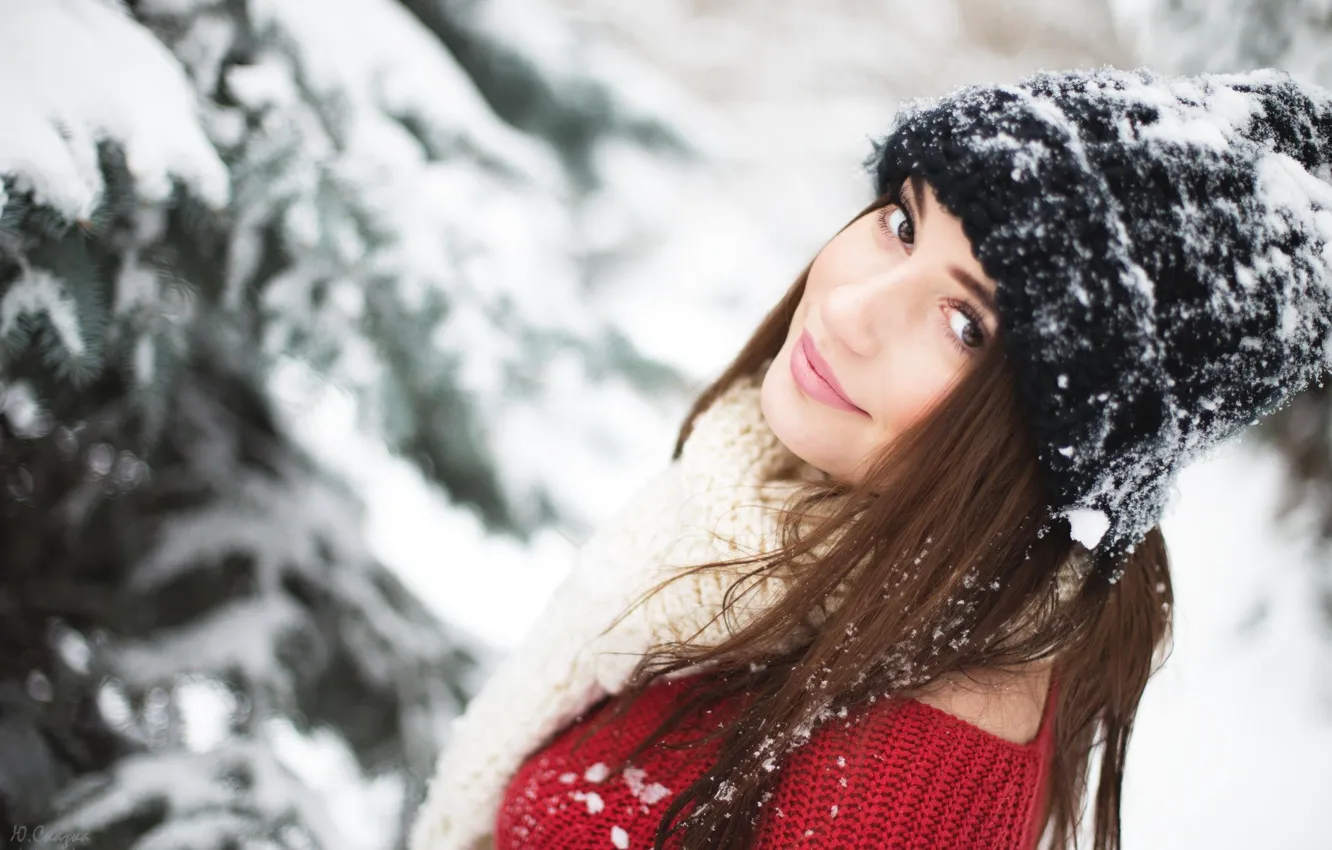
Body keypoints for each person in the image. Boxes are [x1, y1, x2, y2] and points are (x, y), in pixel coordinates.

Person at [409, 66, 1332, 850]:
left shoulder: (901, 797)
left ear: (1055, 452)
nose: (851, 310)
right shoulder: (783, 528)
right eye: (902, 223)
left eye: (965, 323)